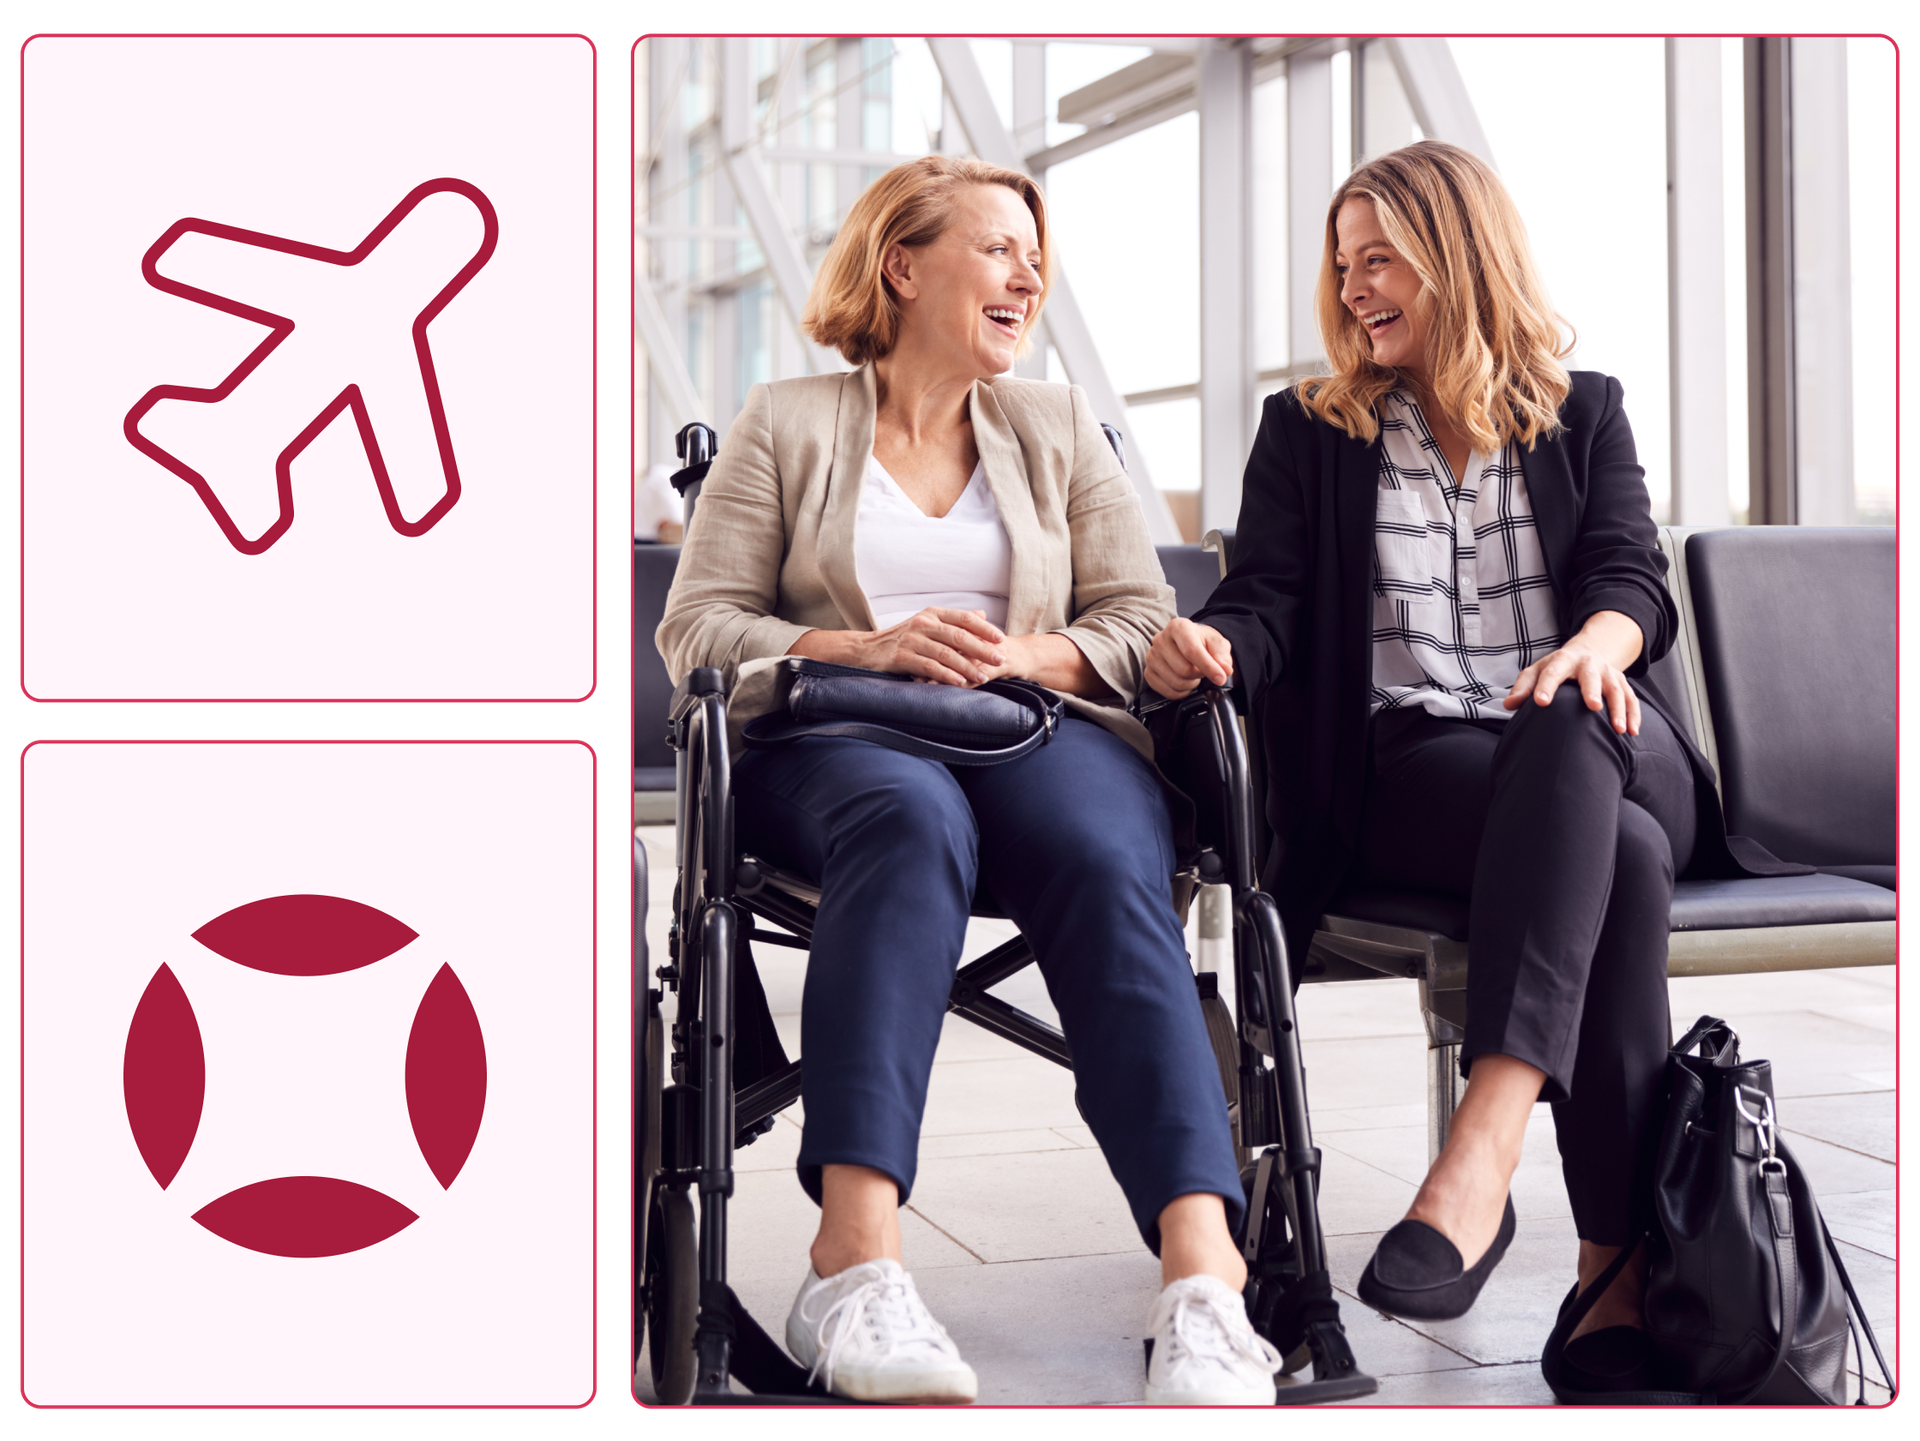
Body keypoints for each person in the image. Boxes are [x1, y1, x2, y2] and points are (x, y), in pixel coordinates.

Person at [1145, 141, 1798, 1396]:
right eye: (1343, 266)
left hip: (1611, 732)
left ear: (1459, 255)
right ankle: (1610, 1282)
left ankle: (1481, 1149)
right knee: (1621, 862)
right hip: (1419, 767)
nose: (1353, 289)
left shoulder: (1583, 409)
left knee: (1569, 711)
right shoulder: (1311, 431)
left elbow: (1630, 577)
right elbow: (1267, 602)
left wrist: (1595, 648)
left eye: (1380, 259)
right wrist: (1211, 645)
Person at [657, 156, 1280, 1405]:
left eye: (1035, 257)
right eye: (999, 248)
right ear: (902, 266)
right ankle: (853, 1262)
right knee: (908, 818)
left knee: (1109, 852)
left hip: (1035, 726)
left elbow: (1133, 615)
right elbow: (697, 630)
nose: (1027, 275)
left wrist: (1026, 656)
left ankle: (1206, 1281)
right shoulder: (785, 420)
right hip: (840, 740)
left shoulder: (1059, 426)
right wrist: (859, 647)